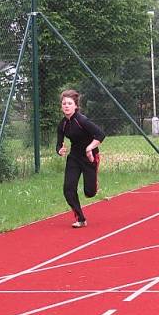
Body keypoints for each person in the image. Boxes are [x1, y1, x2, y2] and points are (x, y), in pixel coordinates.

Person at [56, 90, 105, 228]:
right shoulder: (62, 124)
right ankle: (81, 219)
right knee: (68, 189)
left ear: (75, 106)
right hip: (74, 158)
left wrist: (89, 148)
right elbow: (59, 144)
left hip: (90, 158)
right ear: (61, 106)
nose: (66, 106)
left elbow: (100, 135)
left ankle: (94, 182)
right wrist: (60, 150)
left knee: (89, 193)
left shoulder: (82, 120)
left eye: (69, 103)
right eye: (64, 103)